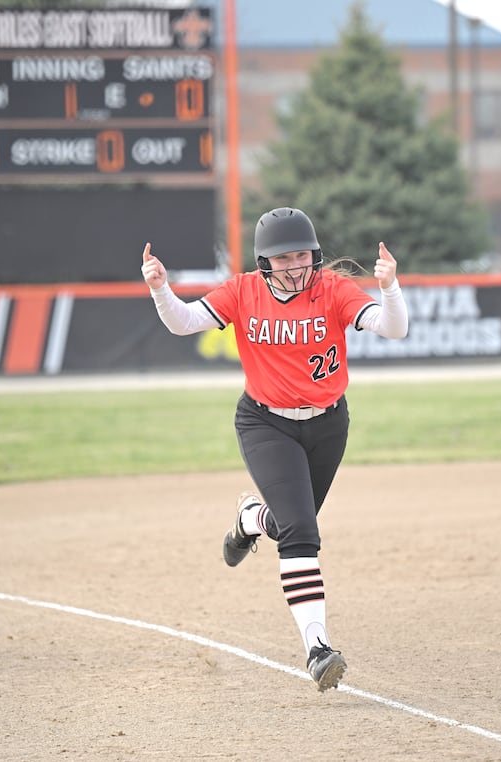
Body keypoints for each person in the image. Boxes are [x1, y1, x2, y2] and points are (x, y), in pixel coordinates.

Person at [141, 207, 409, 692]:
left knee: (291, 525)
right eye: (282, 257)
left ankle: (248, 519)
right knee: (302, 531)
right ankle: (318, 648)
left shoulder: (333, 290)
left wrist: (388, 287)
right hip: (265, 422)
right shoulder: (243, 290)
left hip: (328, 424)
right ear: (264, 261)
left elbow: (394, 329)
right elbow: (182, 323)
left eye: (301, 255)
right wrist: (161, 287)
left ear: (315, 255)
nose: (294, 265)